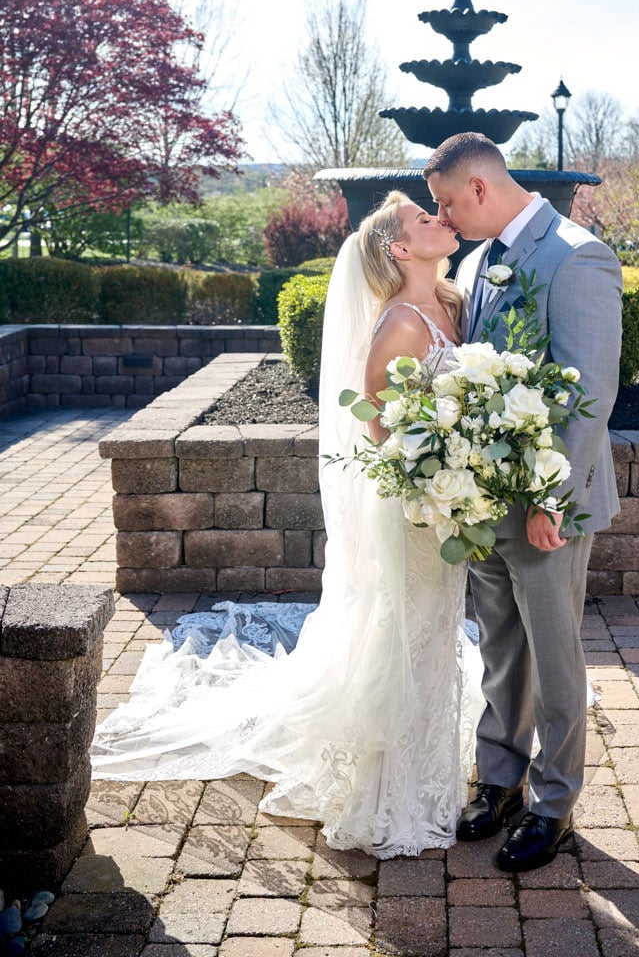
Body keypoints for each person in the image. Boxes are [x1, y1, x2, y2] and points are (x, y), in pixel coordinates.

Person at [90, 193, 484, 859]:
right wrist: (440, 458)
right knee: (404, 631)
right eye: (425, 219)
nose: (440, 221)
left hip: (449, 499)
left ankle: (432, 759)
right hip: (416, 501)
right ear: (399, 249)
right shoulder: (400, 325)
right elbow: (378, 425)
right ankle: (393, 785)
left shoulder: (451, 302)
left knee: (434, 627)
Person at [425, 131, 623, 873]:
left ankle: (554, 802)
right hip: (485, 503)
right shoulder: (478, 260)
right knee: (501, 648)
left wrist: (552, 499)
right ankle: (501, 776)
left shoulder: (577, 255)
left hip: (546, 504)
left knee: (556, 654)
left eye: (447, 202)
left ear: (478, 188)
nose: (442, 217)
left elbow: (589, 394)